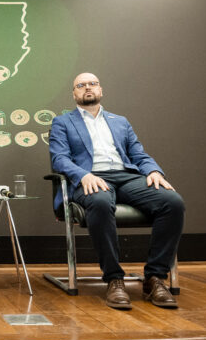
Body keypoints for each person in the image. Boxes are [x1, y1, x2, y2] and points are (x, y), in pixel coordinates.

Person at [48, 72, 184, 310]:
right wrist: (84, 175)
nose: (87, 88)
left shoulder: (120, 121)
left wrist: (154, 171)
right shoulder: (63, 122)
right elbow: (59, 159)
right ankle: (114, 279)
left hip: (126, 177)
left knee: (172, 202)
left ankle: (155, 278)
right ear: (74, 94)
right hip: (90, 179)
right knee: (100, 202)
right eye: (81, 85)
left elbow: (138, 154)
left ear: (101, 90)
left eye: (92, 84)